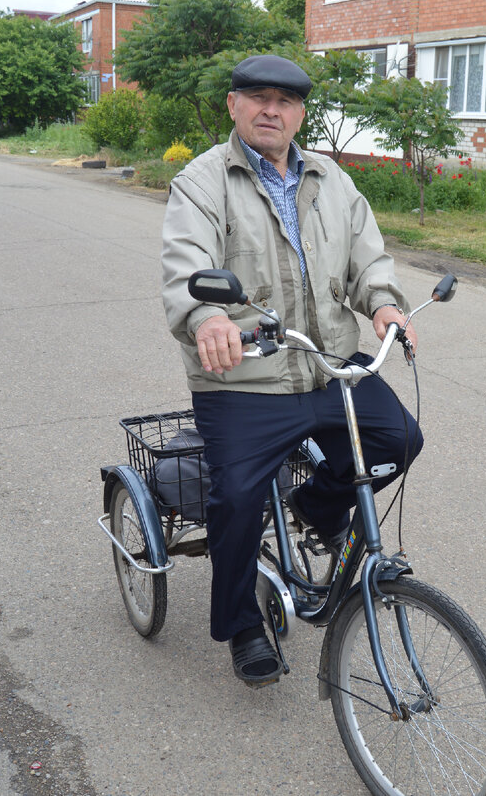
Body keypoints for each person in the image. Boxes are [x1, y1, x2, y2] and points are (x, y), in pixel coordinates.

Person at [160, 54, 423, 688]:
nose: (270, 109)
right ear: (234, 105)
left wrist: (384, 303)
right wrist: (208, 319)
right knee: (238, 500)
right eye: (257, 98)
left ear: (301, 112)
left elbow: (368, 259)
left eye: (285, 100)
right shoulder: (201, 182)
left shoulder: (332, 179)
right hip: (246, 378)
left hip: (329, 364)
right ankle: (243, 625)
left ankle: (314, 503)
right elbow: (185, 267)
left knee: (399, 439)